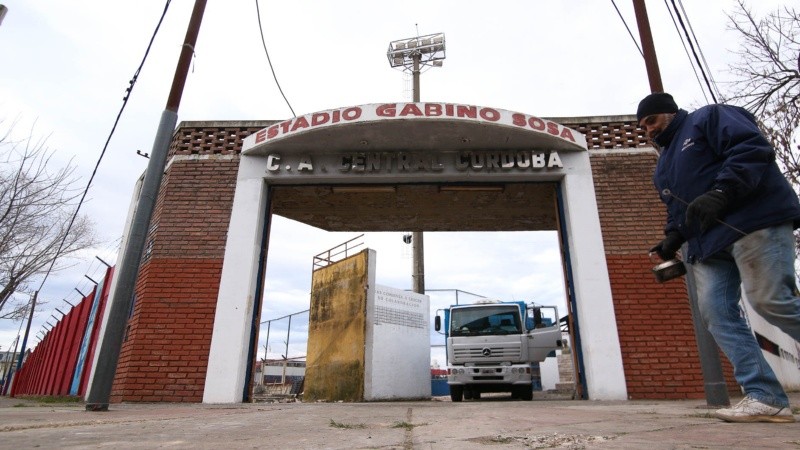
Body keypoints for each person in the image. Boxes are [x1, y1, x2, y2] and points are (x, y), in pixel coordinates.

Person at [638, 92, 800, 423]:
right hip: (707, 245)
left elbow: (751, 149)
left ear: (669, 112)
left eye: (651, 121)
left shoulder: (708, 118)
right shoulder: (663, 165)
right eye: (642, 128)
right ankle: (765, 396)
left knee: (770, 301)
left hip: (751, 223)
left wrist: (722, 192)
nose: (649, 131)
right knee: (716, 313)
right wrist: (674, 237)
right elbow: (678, 209)